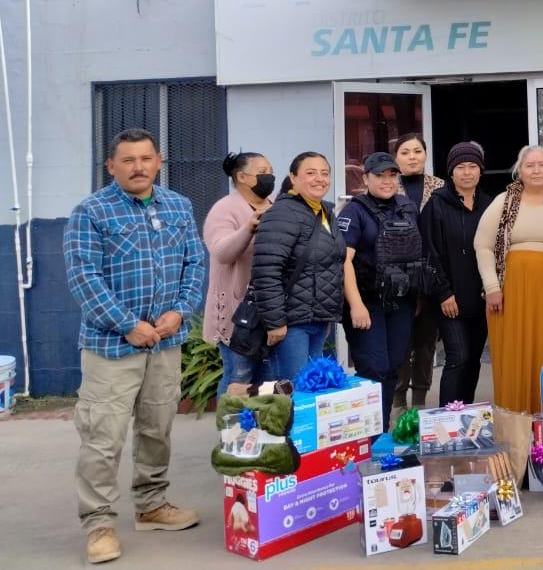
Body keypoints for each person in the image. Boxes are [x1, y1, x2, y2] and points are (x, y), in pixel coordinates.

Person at [65, 128, 206, 565]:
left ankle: (151, 505)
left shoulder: (178, 206)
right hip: (112, 348)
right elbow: (83, 278)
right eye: (128, 160)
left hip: (165, 344)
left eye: (146, 159)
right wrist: (127, 324)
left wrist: (181, 311)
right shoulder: (91, 212)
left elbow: (195, 261)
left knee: (156, 429)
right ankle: (99, 524)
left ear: (159, 161)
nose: (138, 167)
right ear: (111, 166)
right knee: (102, 438)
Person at [474, 145, 543, 414]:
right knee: (512, 359)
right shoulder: (504, 201)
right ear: (519, 171)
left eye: (542, 165)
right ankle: (513, 425)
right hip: (509, 295)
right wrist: (491, 287)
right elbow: (483, 245)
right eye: (530, 165)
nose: (536, 170)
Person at [337, 152, 431, 428]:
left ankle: (381, 430)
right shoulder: (354, 211)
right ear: (365, 178)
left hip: (401, 303)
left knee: (393, 368)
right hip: (368, 303)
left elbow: (416, 252)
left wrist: (416, 296)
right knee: (374, 370)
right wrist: (355, 304)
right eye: (379, 175)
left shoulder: (406, 206)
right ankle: (366, 436)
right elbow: (344, 261)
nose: (387, 181)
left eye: (392, 175)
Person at [252, 152, 345, 382]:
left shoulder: (325, 212)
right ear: (293, 178)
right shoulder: (282, 213)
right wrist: (276, 323)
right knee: (293, 391)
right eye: (310, 173)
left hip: (318, 318)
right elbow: (266, 271)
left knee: (309, 387)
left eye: (325, 173)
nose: (319, 179)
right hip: (291, 323)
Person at [420, 141, 494, 405]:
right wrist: (443, 293)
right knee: (458, 357)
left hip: (481, 298)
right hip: (449, 299)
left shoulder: (489, 205)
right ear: (451, 172)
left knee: (473, 360)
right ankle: (447, 419)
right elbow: (428, 252)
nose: (466, 172)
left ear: (480, 170)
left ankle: (466, 417)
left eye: (472, 166)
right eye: (460, 167)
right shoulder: (436, 205)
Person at [203, 151, 274, 395]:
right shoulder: (224, 209)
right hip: (238, 313)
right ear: (242, 177)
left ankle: (259, 430)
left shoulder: (275, 205)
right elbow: (221, 252)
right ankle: (231, 431)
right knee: (239, 376)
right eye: (262, 172)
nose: (269, 177)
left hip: (271, 310)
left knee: (267, 380)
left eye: (271, 172)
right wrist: (249, 227)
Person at [391, 133, 445, 412]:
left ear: (425, 155)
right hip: (398, 281)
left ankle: (421, 404)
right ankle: (399, 404)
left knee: (425, 343)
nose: (412, 157)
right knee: (401, 342)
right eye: (405, 152)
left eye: (417, 151)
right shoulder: (387, 187)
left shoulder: (441, 188)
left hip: (431, 277)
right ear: (396, 158)